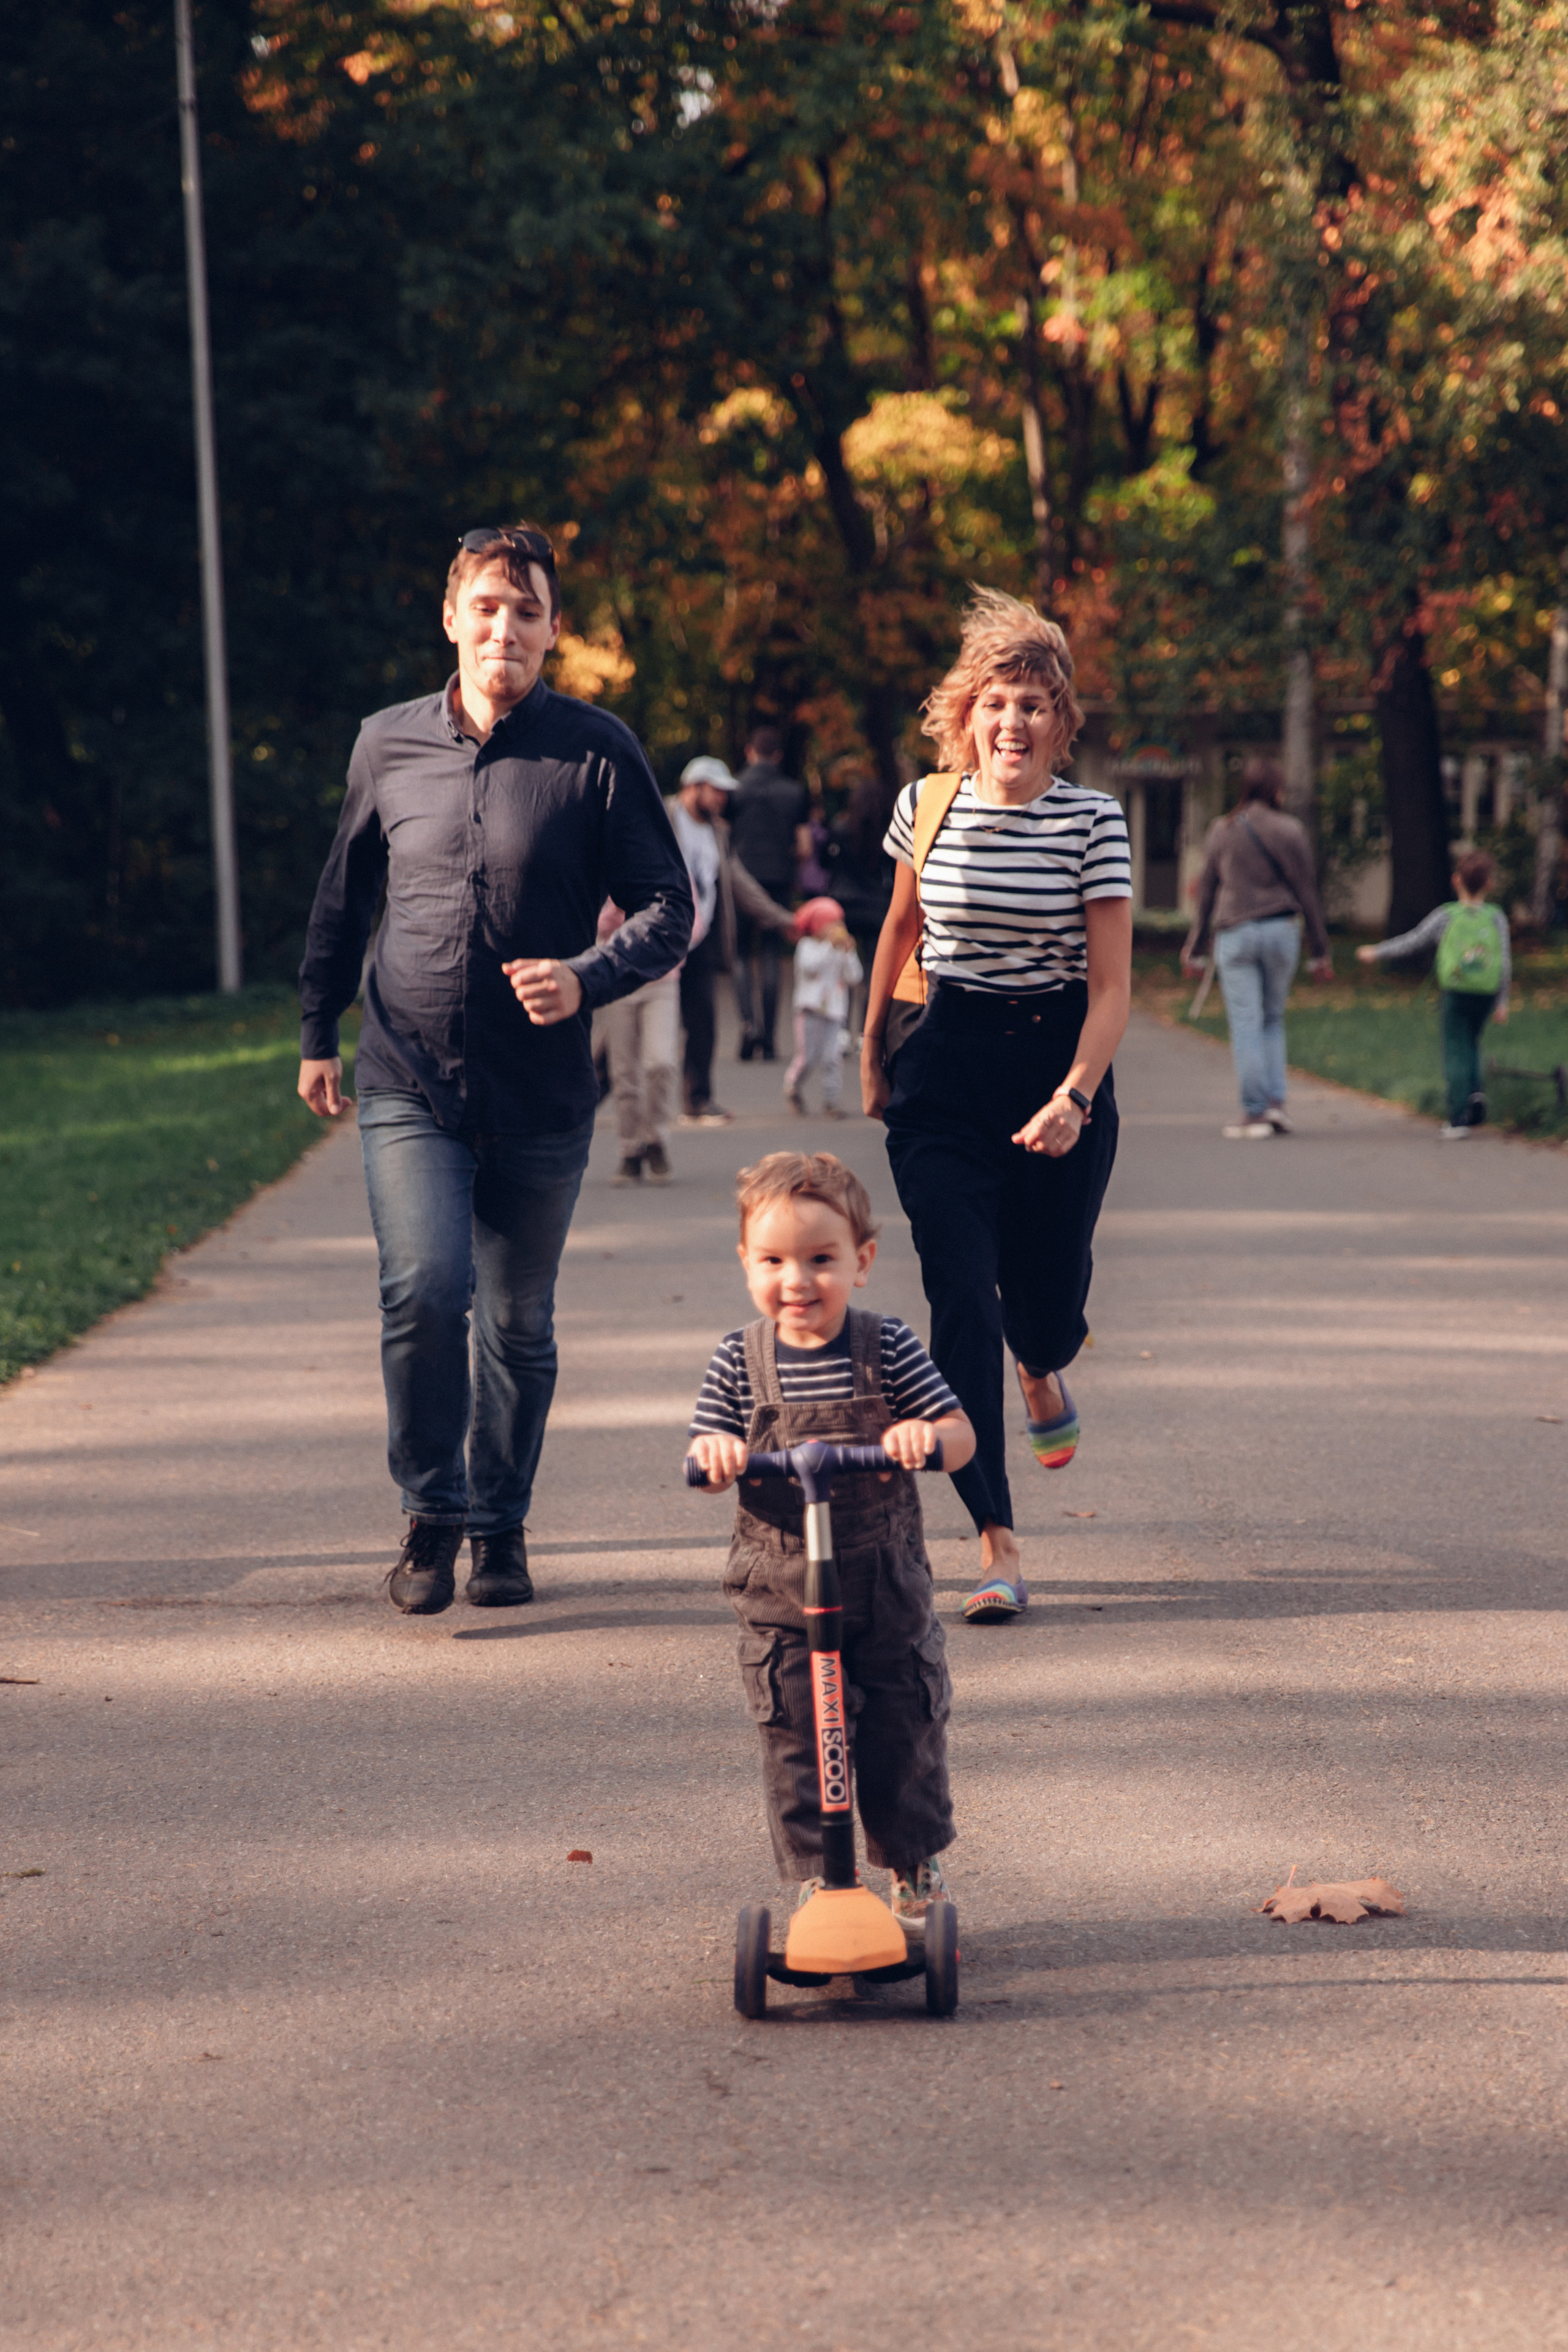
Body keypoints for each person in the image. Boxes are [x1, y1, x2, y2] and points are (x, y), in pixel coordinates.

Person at [297, 523, 693, 1616]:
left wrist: (587, 976)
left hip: (540, 1093)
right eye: (485, 607)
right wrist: (316, 1029)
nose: (503, 628)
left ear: (553, 630)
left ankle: (501, 1525)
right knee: (425, 1291)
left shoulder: (596, 751)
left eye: (526, 611)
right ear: (451, 617)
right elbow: (343, 897)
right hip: (407, 1076)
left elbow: (670, 908)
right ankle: (433, 1514)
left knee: (517, 1323)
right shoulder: (386, 744)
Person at [860, 587, 1132, 1627]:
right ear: (966, 714)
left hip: (1057, 1064)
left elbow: (1112, 987)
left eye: (1034, 705)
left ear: (1061, 724)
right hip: (946, 1072)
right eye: (996, 702)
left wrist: (1076, 1095)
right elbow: (899, 930)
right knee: (962, 1296)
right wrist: (872, 1047)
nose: (1012, 722)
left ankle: (1042, 1362)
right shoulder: (926, 805)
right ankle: (995, 1541)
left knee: (1046, 1302)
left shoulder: (1093, 822)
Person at [687, 1152, 976, 1923]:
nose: (798, 1280)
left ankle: (912, 1863)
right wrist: (716, 1456)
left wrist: (926, 1436)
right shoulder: (738, 1361)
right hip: (779, 1587)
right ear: (746, 1262)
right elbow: (705, 1455)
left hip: (883, 1583)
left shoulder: (886, 1346)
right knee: (795, 1732)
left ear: (862, 1262)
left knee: (902, 1722)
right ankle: (824, 1877)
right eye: (774, 1261)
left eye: (821, 1260)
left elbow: (961, 1436)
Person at [1181, 756, 1332, 1139]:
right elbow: (1307, 892)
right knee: (1272, 1019)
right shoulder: (1291, 830)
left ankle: (1254, 1112)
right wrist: (1320, 951)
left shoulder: (1222, 830)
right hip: (1281, 931)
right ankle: (1276, 1104)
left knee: (1247, 1023)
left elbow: (1207, 892)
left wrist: (1195, 947)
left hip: (1236, 934)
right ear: (1276, 790)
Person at [666, 756, 797, 1123]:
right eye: (717, 791)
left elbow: (740, 883)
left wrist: (783, 920)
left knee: (703, 1022)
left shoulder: (718, 832)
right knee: (633, 1026)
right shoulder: (665, 818)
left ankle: (697, 1100)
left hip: (701, 939)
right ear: (694, 786)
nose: (723, 799)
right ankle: (587, 1098)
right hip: (661, 938)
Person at [1355, 846, 1510, 1138]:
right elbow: (1504, 961)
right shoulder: (1496, 917)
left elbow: (1415, 940)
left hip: (1456, 991)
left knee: (1455, 1049)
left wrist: (1377, 952)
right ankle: (1475, 1093)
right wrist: (1502, 1002)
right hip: (1486, 992)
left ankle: (1458, 1117)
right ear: (1489, 884)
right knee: (1472, 1042)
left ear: (1456, 881)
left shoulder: (1446, 915)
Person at [728, 724, 812, 1060]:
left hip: (741, 880)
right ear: (777, 755)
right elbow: (804, 847)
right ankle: (771, 1039)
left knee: (739, 954)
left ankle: (749, 1025)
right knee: (771, 954)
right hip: (778, 878)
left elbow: (723, 838)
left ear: (750, 751)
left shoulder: (734, 790)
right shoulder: (794, 792)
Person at [595, 897, 679, 1185]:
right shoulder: (613, 878)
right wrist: (618, 910)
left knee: (661, 1063)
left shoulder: (672, 876)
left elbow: (692, 924)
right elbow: (598, 924)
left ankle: (655, 1139)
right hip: (619, 979)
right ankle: (630, 1149)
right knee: (624, 1073)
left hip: (662, 980)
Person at [783, 897, 862, 1118]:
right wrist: (830, 946)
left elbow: (855, 977)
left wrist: (848, 954)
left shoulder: (841, 950)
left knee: (833, 1057)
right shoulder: (807, 947)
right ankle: (793, 1086)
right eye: (832, 923)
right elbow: (810, 968)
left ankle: (831, 1100)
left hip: (835, 1012)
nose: (838, 928)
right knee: (808, 1057)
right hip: (810, 1011)